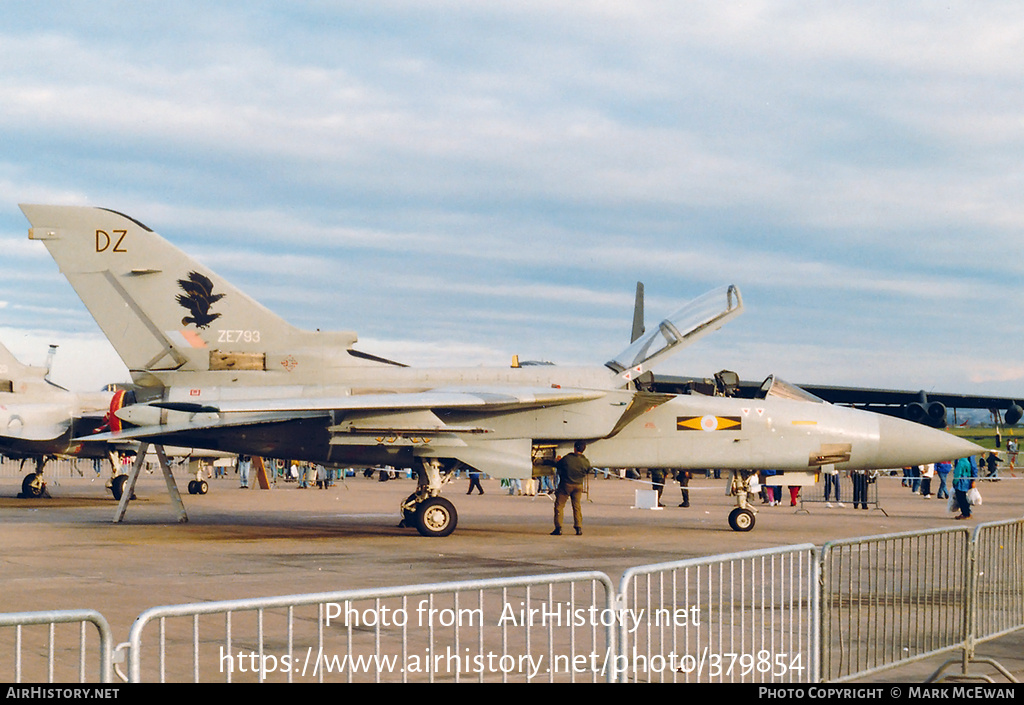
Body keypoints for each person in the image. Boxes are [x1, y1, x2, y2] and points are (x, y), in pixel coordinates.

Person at [552, 441, 590, 536]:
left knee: (559, 506)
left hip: (566, 485)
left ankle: (558, 528)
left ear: (574, 448)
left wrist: (557, 460)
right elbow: (588, 470)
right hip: (578, 485)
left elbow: (558, 465)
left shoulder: (568, 459)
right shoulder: (585, 461)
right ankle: (578, 528)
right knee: (577, 506)